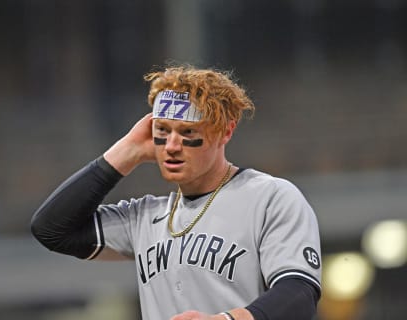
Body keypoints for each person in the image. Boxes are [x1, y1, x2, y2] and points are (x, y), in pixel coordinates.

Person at [31, 65, 322, 320]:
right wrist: (127, 152)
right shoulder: (145, 217)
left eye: (187, 133)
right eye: (163, 130)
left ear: (225, 131)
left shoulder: (270, 197)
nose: (171, 145)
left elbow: (299, 294)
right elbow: (51, 229)